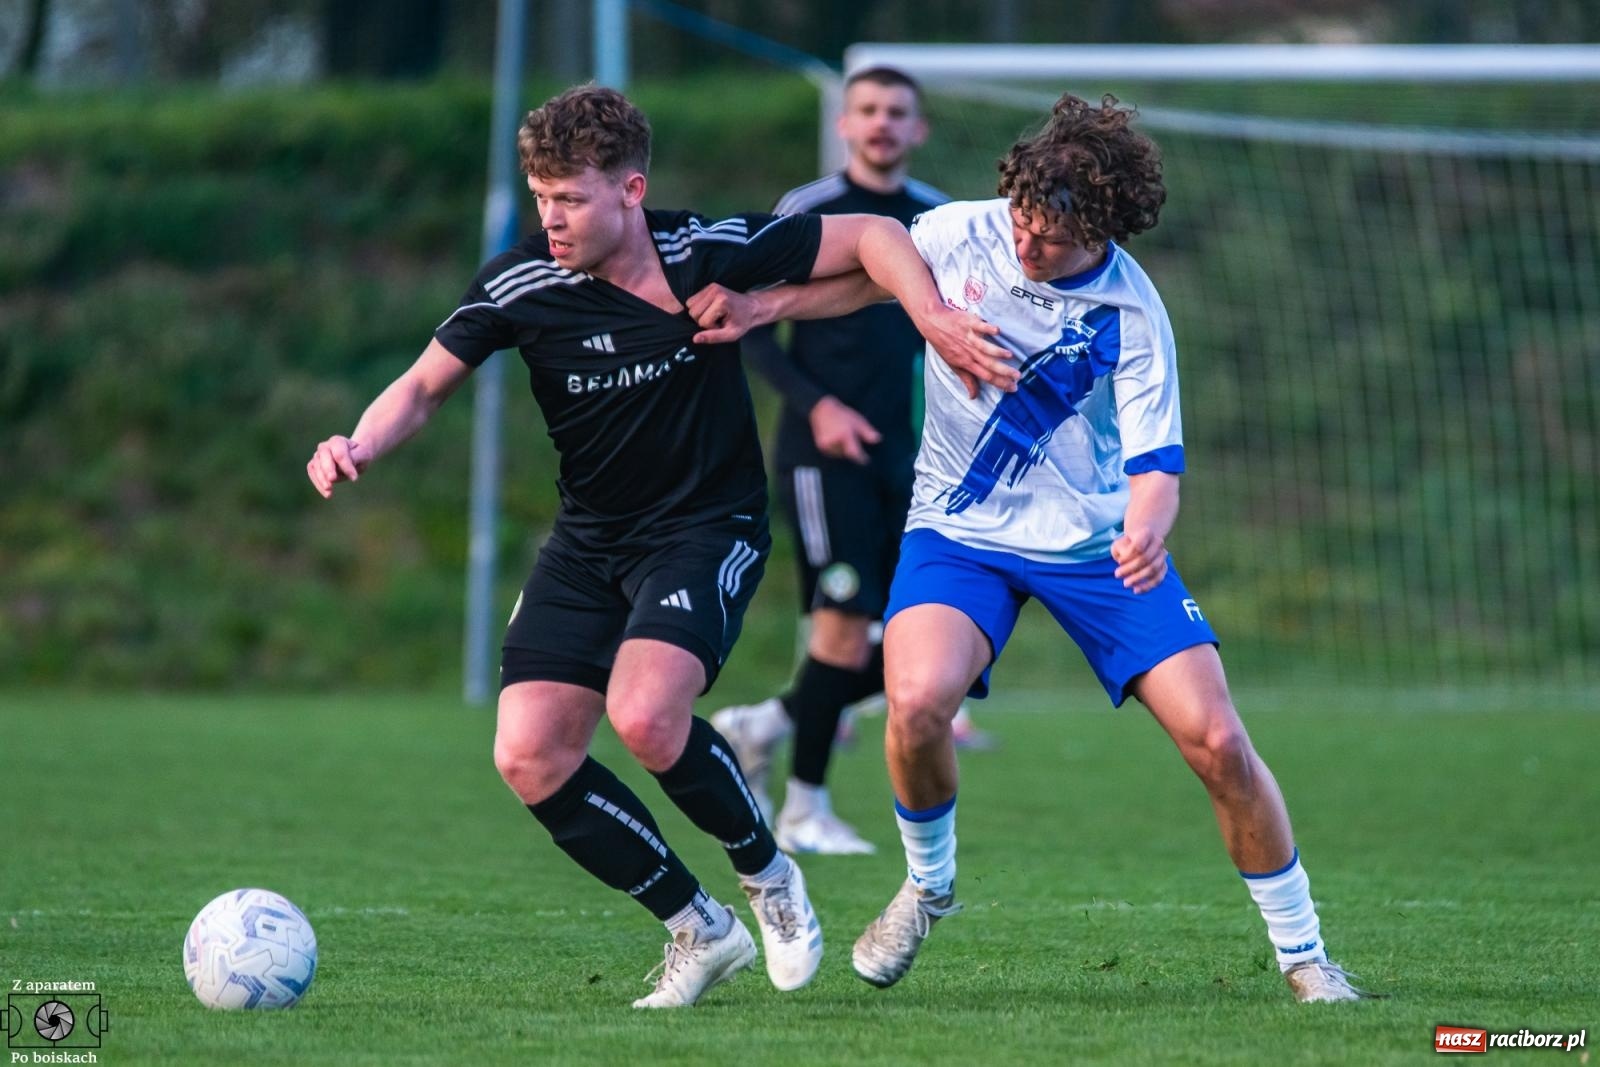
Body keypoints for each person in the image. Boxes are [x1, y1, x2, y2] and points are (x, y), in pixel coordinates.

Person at [305, 84, 1014, 1009]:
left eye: (571, 198)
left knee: (645, 716)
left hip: (704, 528)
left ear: (631, 191)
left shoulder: (703, 248)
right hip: (588, 539)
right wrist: (357, 440)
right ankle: (698, 926)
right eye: (540, 196)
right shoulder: (521, 280)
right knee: (528, 754)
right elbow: (423, 386)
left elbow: (877, 240)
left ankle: (768, 877)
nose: (550, 219)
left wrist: (919, 316)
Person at [688, 92, 1376, 1003]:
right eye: (1020, 222)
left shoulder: (1132, 312)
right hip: (959, 532)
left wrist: (1148, 527)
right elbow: (868, 272)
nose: (1024, 246)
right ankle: (928, 887)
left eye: (1049, 238)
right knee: (916, 700)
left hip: (1096, 546)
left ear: (1102, 230)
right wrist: (760, 302)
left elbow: (1157, 463)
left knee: (1217, 741)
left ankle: (1305, 957)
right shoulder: (968, 229)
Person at [711, 66, 993, 858]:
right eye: (866, 109)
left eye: (896, 112)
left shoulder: (939, 221)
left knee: (933, 638)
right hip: (818, 454)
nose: (880, 123)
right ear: (845, 123)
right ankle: (804, 808)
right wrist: (819, 406)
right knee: (839, 632)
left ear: (918, 128)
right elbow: (749, 322)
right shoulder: (809, 211)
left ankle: (764, 724)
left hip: (913, 458)